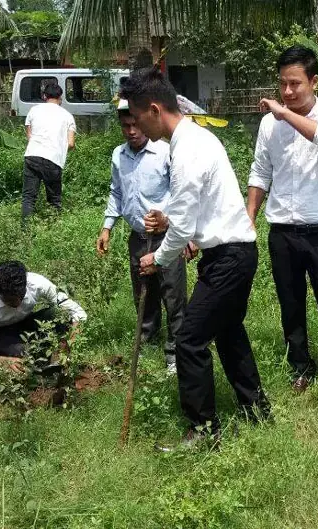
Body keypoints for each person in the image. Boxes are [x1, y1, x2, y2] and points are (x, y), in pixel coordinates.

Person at [120, 67, 270, 447]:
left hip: (229, 258)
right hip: (233, 252)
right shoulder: (196, 140)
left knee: (188, 340)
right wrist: (185, 234)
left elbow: (184, 224)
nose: (137, 127)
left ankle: (203, 430)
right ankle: (257, 411)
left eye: (137, 118)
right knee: (228, 332)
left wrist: (158, 258)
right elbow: (202, 208)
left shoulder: (187, 149)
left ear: (154, 109)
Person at [247, 45, 318, 393]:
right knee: (291, 305)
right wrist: (249, 218)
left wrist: (283, 113)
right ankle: (300, 368)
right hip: (282, 232)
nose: (288, 92)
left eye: (296, 84)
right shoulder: (269, 125)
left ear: (315, 82)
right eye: (283, 84)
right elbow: (261, 172)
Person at [96, 100, 190, 375]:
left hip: (166, 237)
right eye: (126, 126)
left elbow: (181, 192)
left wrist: (171, 222)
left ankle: (175, 350)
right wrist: (107, 227)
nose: (131, 131)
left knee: (172, 294)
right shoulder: (119, 155)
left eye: (136, 125)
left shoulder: (165, 152)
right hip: (138, 238)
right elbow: (116, 192)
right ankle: (148, 341)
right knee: (142, 293)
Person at [0, 261, 87, 372]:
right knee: (27, 354)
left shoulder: (36, 283)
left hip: (24, 322)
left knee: (61, 313)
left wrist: (71, 343)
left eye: (21, 296)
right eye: (9, 300)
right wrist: (3, 361)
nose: (17, 303)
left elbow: (77, 312)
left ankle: (55, 359)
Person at [22, 82, 76, 221]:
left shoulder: (33, 110)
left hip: (32, 155)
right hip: (53, 159)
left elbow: (29, 136)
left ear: (44, 96)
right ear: (60, 98)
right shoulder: (68, 116)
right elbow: (70, 143)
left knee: (28, 197)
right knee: (54, 199)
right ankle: (54, 227)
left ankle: (25, 231)